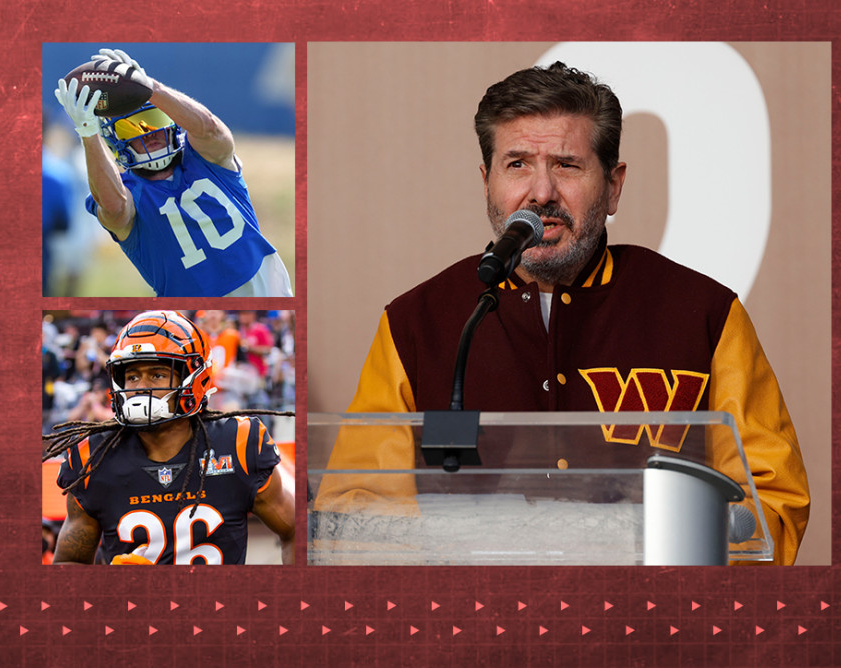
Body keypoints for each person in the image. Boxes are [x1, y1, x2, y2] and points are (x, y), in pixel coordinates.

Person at [324, 62, 810, 565]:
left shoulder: (704, 314)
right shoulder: (416, 323)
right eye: (517, 165)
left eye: (566, 165)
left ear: (614, 186)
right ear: (486, 181)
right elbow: (356, 513)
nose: (541, 193)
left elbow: (771, 504)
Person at [45, 311, 295, 565]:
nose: (140, 386)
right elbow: (69, 563)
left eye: (157, 375)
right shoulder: (93, 457)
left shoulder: (238, 443)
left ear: (195, 379)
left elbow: (297, 531)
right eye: (131, 376)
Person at [53, 48, 293, 298]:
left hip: (265, 288)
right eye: (132, 127)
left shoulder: (207, 157)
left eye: (155, 119)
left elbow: (209, 129)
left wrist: (151, 87)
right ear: (116, 140)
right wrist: (88, 132)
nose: (149, 132)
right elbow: (114, 209)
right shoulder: (127, 192)